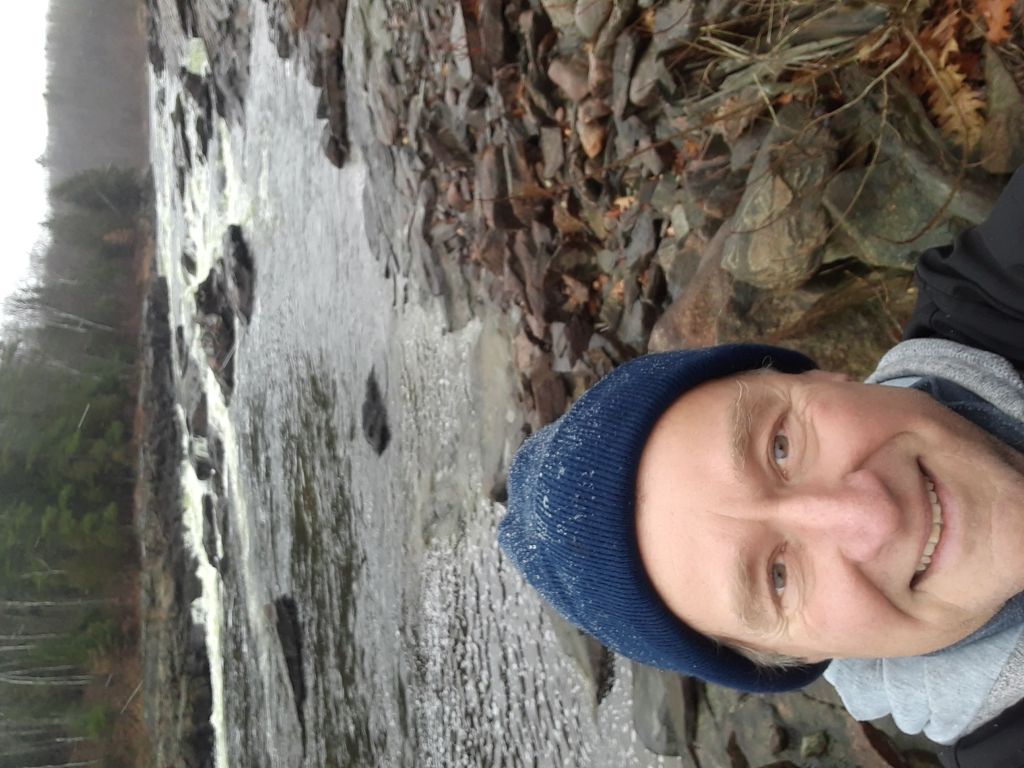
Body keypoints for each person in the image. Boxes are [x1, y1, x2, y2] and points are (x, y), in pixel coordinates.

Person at [498, 166, 1024, 768]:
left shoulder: (998, 283)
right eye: (777, 578)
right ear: (802, 658)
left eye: (780, 447)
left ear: (823, 377)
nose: (870, 515)